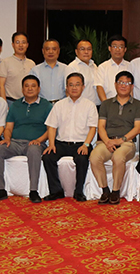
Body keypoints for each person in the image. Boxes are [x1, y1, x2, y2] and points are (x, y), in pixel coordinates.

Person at [0, 75, 52, 203]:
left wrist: (39, 140)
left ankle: (33, 191)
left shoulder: (47, 106)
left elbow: (50, 129)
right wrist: (7, 139)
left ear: (39, 89)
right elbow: (8, 127)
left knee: (33, 150)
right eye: (26, 86)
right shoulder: (15, 105)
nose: (29, 89)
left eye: (33, 86)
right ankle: (0, 190)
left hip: (36, 143)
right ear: (22, 89)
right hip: (15, 142)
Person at [90, 71, 140, 205]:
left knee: (118, 156)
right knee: (94, 157)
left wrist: (121, 140)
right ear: (115, 85)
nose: (123, 85)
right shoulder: (106, 104)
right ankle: (105, 190)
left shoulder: (138, 105)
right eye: (120, 82)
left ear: (132, 86)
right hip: (107, 141)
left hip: (127, 143)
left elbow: (137, 128)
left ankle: (115, 191)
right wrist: (107, 141)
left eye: (127, 83)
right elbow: (101, 126)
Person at [42, 73, 98, 202]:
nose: (74, 88)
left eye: (77, 85)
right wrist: (51, 144)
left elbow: (92, 128)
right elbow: (51, 126)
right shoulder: (59, 105)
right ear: (66, 87)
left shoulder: (90, 105)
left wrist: (86, 145)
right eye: (71, 85)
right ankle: (56, 191)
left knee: (82, 158)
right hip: (61, 143)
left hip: (81, 144)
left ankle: (79, 192)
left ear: (83, 87)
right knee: (47, 157)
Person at [0, 32, 36, 104]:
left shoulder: (31, 63)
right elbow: (1, 86)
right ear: (13, 45)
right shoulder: (6, 62)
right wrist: (4, 104)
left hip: (28, 102)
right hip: (11, 102)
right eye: (17, 42)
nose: (21, 45)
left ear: (27, 45)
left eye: (23, 42)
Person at [66, 39, 101, 106]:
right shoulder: (72, 67)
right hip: (81, 106)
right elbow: (68, 92)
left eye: (89, 49)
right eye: (82, 49)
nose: (86, 52)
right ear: (76, 51)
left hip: (96, 106)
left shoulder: (94, 66)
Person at [97, 35, 131, 102]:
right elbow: (99, 87)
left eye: (121, 47)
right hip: (109, 104)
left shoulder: (130, 66)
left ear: (125, 49)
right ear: (109, 48)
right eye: (115, 46)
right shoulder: (102, 67)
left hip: (128, 105)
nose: (117, 50)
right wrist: (106, 105)